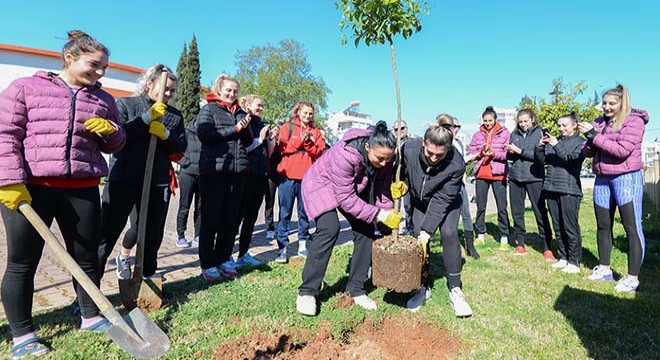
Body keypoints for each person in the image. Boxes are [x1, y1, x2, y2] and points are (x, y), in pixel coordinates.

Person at [0, 31, 126, 358]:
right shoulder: (27, 88)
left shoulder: (103, 100)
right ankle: (23, 334)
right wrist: (9, 180)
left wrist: (113, 133)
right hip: (31, 190)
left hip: (82, 189)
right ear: (69, 57)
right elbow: (5, 134)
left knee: (86, 258)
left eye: (104, 68)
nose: (100, 73)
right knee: (22, 262)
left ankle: (90, 315)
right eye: (94, 65)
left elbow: (116, 144)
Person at [296, 121, 401, 316]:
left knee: (366, 231)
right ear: (367, 146)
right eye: (380, 159)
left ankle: (355, 289)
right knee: (329, 228)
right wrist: (379, 214)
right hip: (321, 186)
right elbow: (345, 199)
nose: (384, 163)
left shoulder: (385, 157)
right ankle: (307, 292)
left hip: (352, 188)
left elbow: (382, 190)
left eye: (388, 159)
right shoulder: (345, 154)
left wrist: (387, 219)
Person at [98, 64, 186, 282]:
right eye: (165, 88)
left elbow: (180, 148)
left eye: (172, 91)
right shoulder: (127, 104)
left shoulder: (174, 115)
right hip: (124, 178)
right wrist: (145, 119)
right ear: (149, 84)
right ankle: (87, 292)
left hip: (157, 181)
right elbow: (119, 138)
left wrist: (166, 134)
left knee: (151, 232)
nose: (169, 94)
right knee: (106, 233)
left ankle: (147, 275)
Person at [399, 121, 473, 317]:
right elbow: (401, 170)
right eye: (429, 152)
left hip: (447, 202)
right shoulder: (409, 148)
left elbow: (442, 200)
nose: (433, 158)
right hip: (419, 201)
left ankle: (455, 289)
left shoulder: (456, 164)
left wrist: (428, 230)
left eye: (439, 155)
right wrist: (401, 184)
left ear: (448, 148)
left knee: (448, 233)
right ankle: (422, 288)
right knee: (418, 239)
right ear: (424, 143)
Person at [580, 85, 649, 292]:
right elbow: (588, 152)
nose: (607, 107)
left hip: (626, 178)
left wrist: (595, 136)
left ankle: (632, 277)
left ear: (622, 103)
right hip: (602, 178)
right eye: (604, 103)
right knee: (603, 225)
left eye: (612, 103)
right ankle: (604, 268)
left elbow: (622, 150)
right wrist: (590, 139)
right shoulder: (599, 122)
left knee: (631, 227)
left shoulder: (634, 121)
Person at [196, 74, 253, 280]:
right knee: (211, 218)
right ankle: (208, 263)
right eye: (228, 90)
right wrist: (235, 129)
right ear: (219, 90)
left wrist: (245, 128)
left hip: (237, 172)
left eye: (235, 91)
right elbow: (205, 135)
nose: (232, 94)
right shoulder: (208, 110)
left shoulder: (240, 112)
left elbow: (247, 141)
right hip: (214, 171)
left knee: (230, 219)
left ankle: (223, 258)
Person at [274, 102, 325, 263]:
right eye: (305, 113)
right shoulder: (287, 128)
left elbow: (319, 153)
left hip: (307, 178)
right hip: (287, 177)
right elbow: (283, 149)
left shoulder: (316, 132)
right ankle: (282, 248)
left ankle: (303, 244)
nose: (308, 116)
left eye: (310, 113)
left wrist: (308, 143)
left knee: (304, 213)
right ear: (298, 112)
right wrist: (300, 141)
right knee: (284, 212)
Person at [536, 112, 586, 273]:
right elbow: (541, 160)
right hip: (551, 187)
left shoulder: (580, 142)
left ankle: (574, 261)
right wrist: (540, 146)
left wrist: (556, 144)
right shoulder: (553, 141)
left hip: (569, 189)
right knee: (557, 226)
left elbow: (571, 160)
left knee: (569, 226)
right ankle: (563, 257)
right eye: (559, 125)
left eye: (565, 125)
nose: (561, 128)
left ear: (574, 126)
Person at [506, 109, 555, 260]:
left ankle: (547, 246)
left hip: (535, 177)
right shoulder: (514, 134)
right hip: (516, 177)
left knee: (540, 212)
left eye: (525, 121)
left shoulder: (540, 133)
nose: (523, 124)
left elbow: (541, 157)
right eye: (520, 122)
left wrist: (519, 151)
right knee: (517, 212)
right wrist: (510, 152)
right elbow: (511, 157)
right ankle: (520, 243)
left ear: (533, 119)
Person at [234, 94, 271, 267]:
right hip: (245, 176)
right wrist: (261, 139)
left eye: (262, 105)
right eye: (258, 105)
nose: (261, 108)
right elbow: (244, 148)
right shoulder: (244, 122)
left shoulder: (263, 125)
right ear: (248, 105)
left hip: (260, 175)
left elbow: (268, 153)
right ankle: (227, 256)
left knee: (251, 217)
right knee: (237, 215)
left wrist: (271, 140)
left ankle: (243, 254)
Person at [467, 106, 511, 249]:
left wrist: (494, 154)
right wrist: (480, 153)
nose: (487, 123)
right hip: (482, 173)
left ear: (495, 120)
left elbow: (508, 154)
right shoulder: (477, 135)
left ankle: (504, 235)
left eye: (490, 120)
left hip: (498, 174)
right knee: (481, 206)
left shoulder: (505, 133)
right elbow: (471, 152)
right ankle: (480, 234)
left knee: (502, 207)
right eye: (485, 120)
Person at [438, 114, 479, 260]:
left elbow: (460, 162)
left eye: (457, 127)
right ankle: (449, 245)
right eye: (452, 126)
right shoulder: (443, 142)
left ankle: (470, 246)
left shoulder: (459, 143)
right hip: (446, 186)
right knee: (448, 217)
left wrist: (473, 157)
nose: (455, 129)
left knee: (466, 214)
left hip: (460, 184)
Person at [175, 115, 202, 247]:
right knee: (184, 206)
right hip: (187, 173)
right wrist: (185, 162)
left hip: (203, 174)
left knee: (200, 207)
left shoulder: (207, 135)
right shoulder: (186, 133)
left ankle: (198, 235)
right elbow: (176, 150)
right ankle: (181, 236)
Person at [392, 119, 415, 236]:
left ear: (407, 128)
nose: (399, 131)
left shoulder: (412, 143)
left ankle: (409, 228)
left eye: (402, 128)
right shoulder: (391, 143)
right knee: (394, 206)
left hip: (407, 180)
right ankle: (393, 230)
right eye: (396, 129)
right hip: (394, 179)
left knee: (408, 206)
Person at [263, 121, 283, 240]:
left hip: (283, 174)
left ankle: (281, 226)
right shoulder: (270, 141)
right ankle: (270, 227)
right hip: (271, 174)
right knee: (269, 201)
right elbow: (269, 156)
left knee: (283, 202)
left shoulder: (285, 142)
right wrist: (272, 140)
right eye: (277, 129)